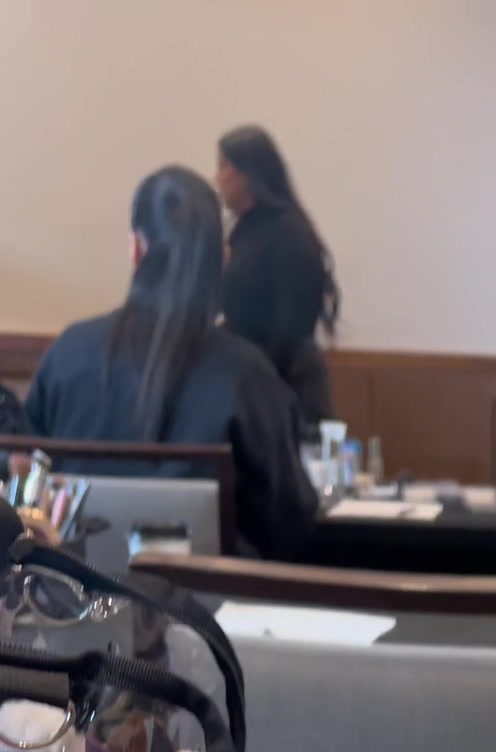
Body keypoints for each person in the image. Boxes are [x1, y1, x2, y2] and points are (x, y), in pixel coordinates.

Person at [25, 166, 316, 560]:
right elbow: (290, 520)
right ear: (222, 259)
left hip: (75, 591)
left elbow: (29, 481)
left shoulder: (67, 353)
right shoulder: (246, 373)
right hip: (216, 597)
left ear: (136, 249)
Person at [216, 126, 339, 429]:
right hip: (249, 382)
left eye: (223, 166)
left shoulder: (289, 233)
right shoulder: (242, 229)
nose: (216, 178)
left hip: (286, 389)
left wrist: (251, 372)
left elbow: (292, 328)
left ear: (247, 174)